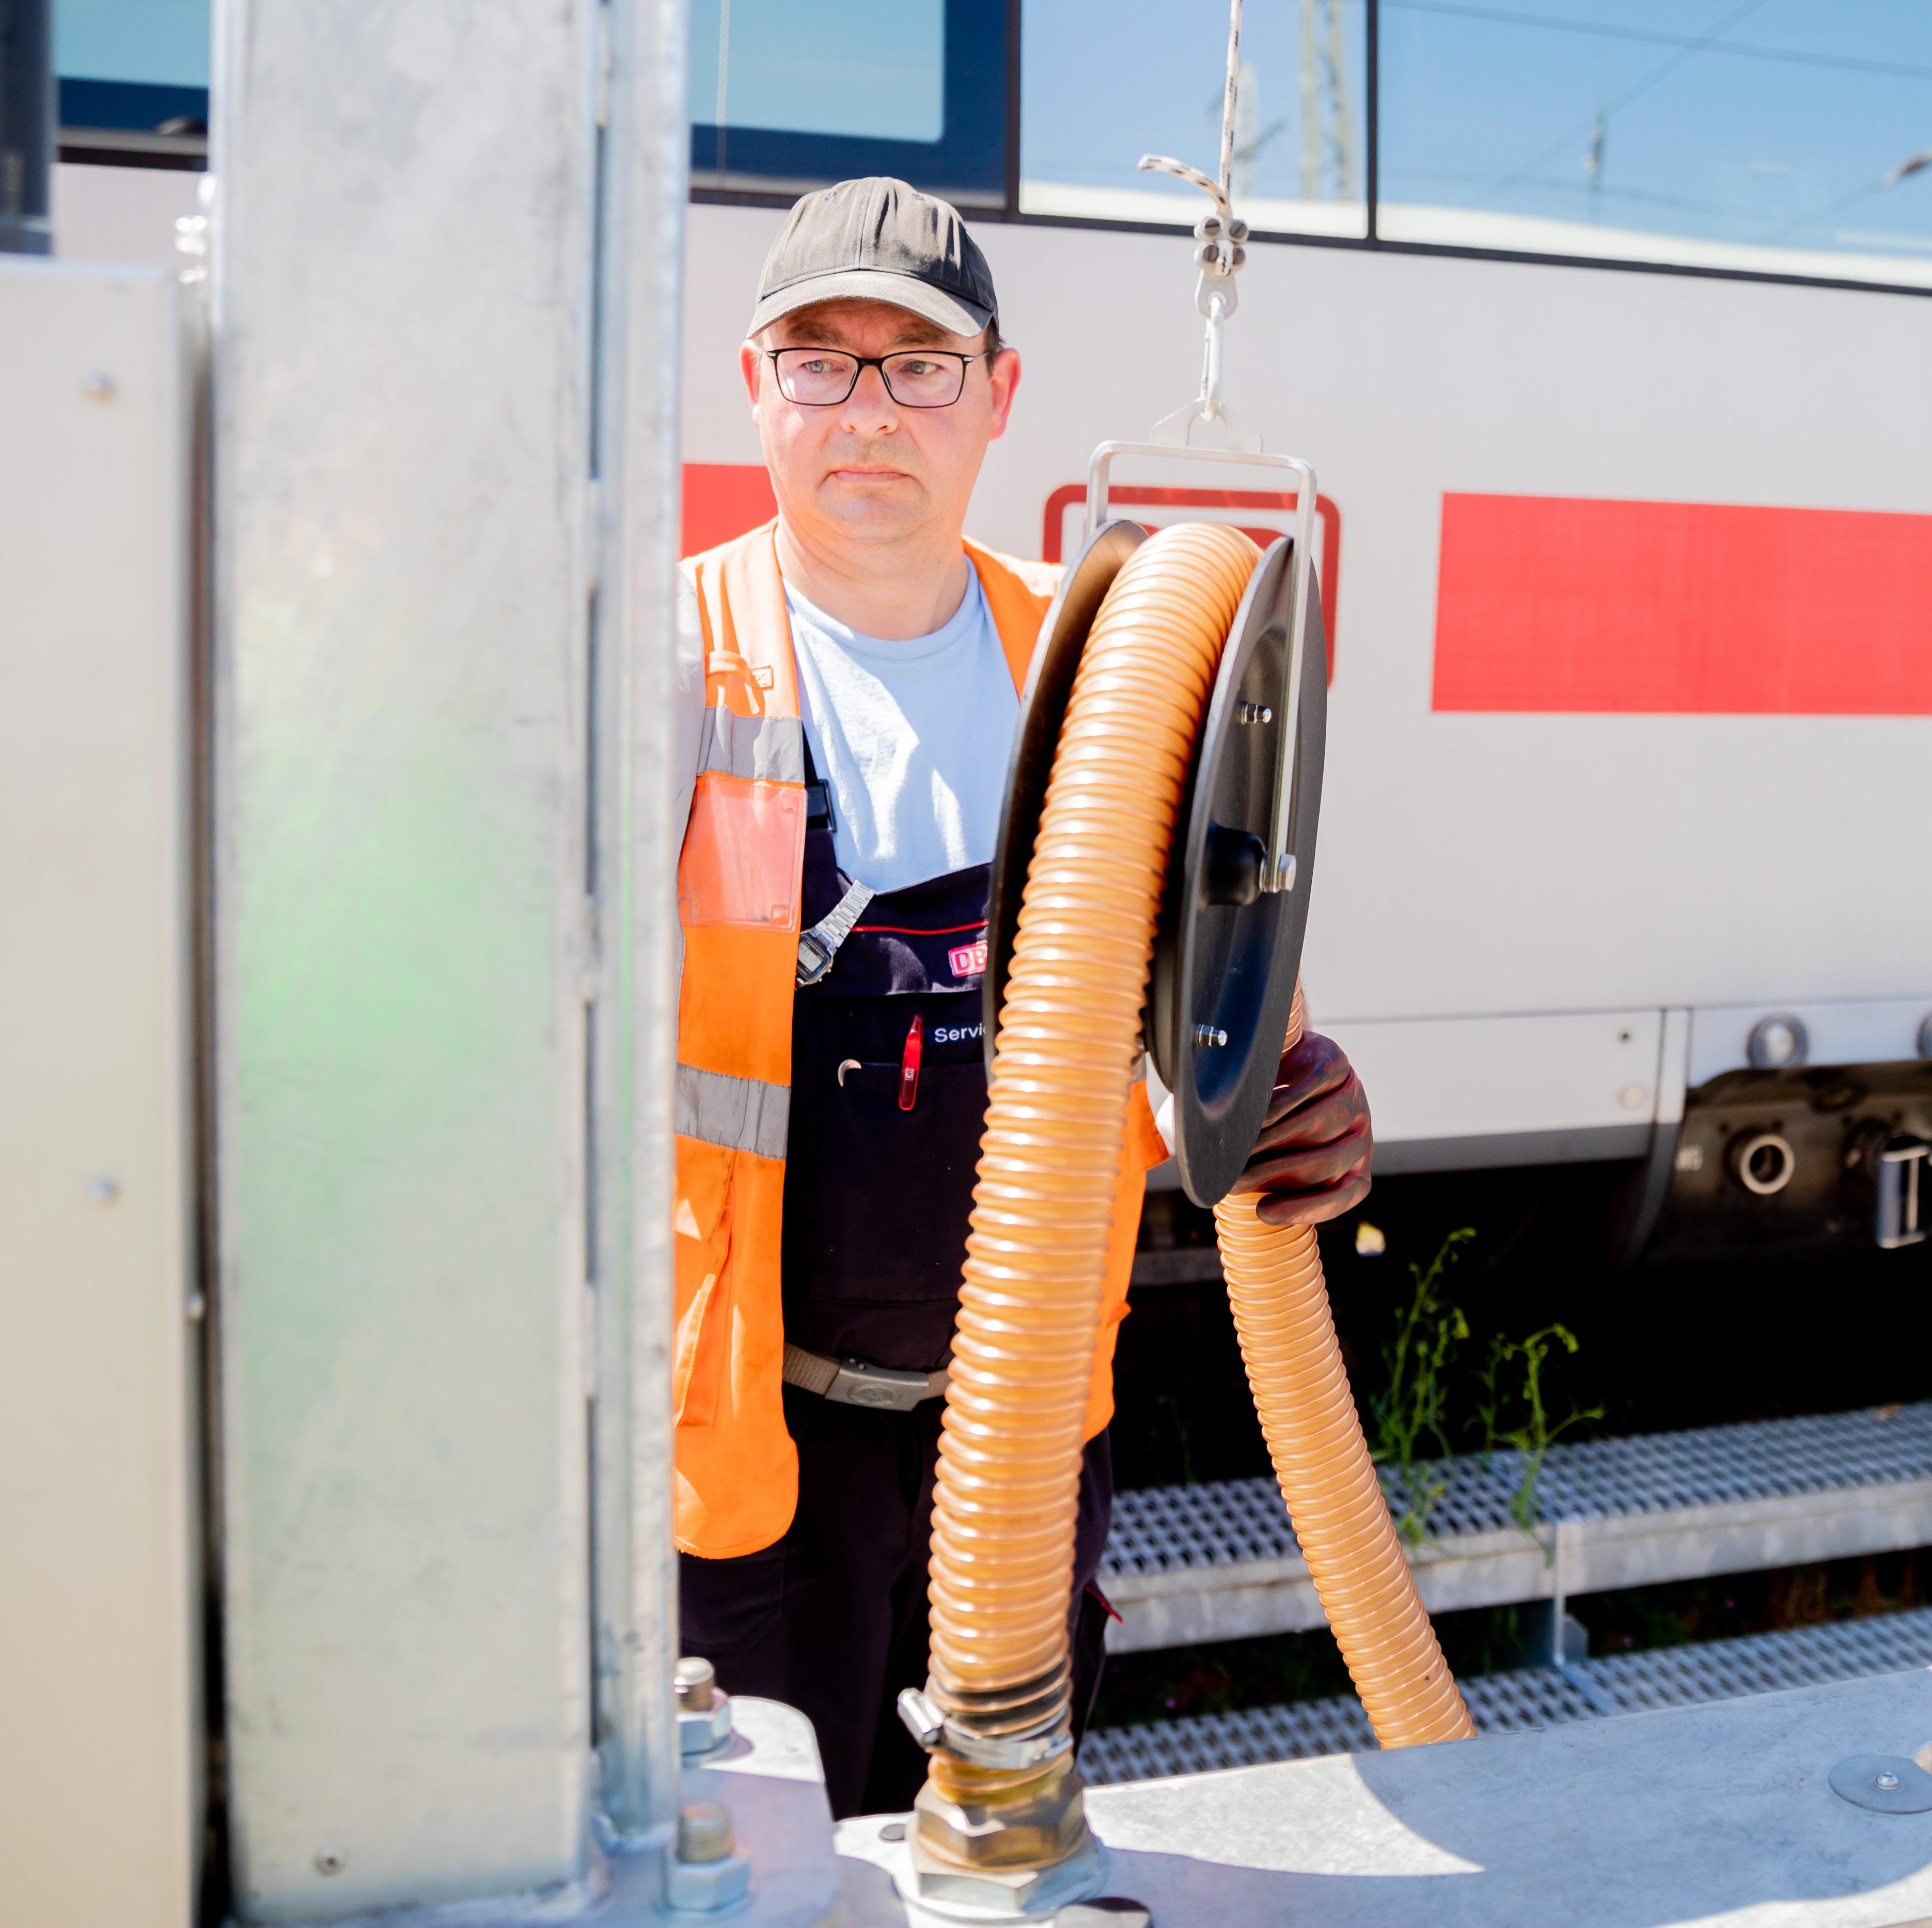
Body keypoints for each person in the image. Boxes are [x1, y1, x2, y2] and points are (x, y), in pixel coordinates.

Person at [666, 177, 1373, 1819]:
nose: (869, 412)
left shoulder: (1102, 660)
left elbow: (1227, 1011)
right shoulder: (654, 663)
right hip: (735, 1462)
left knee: (995, 1851)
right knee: (755, 1867)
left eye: (918, 365)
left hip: (1025, 1435)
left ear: (998, 395)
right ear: (755, 386)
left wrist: (1301, 1104)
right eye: (820, 363)